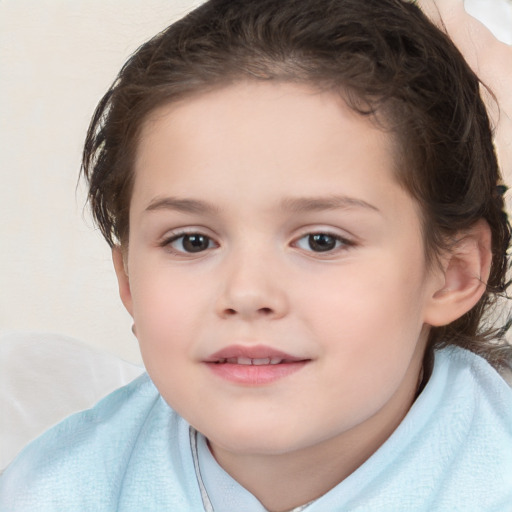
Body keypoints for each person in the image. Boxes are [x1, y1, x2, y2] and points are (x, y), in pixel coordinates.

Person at [1, 0, 511, 510]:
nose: (246, 293)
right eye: (192, 241)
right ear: (129, 282)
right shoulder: (52, 491)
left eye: (321, 241)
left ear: (453, 274)